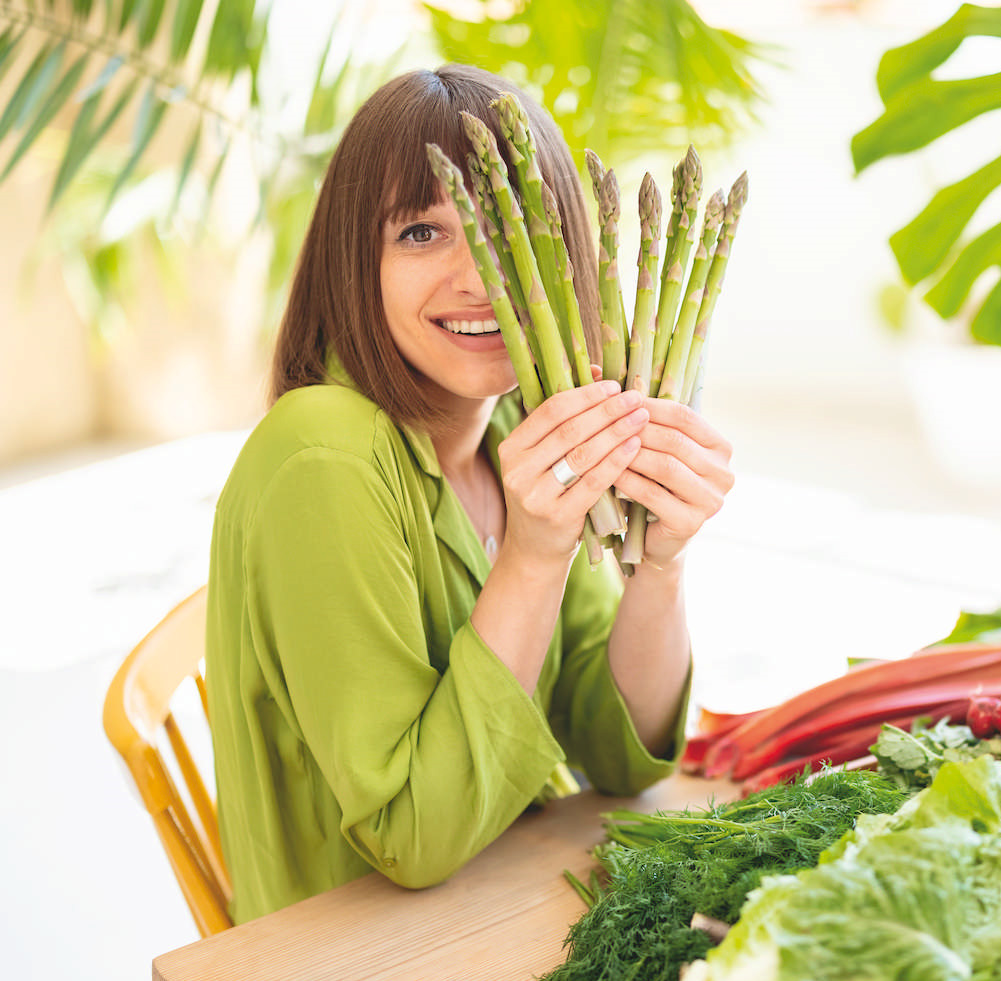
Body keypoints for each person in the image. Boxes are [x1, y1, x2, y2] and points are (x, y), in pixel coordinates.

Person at [207, 64, 734, 924]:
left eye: (510, 230)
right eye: (421, 232)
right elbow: (413, 837)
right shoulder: (321, 454)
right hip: (355, 960)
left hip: (508, 899)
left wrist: (661, 568)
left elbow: (618, 752)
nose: (481, 276)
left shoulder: (512, 430)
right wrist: (532, 555)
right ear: (355, 262)